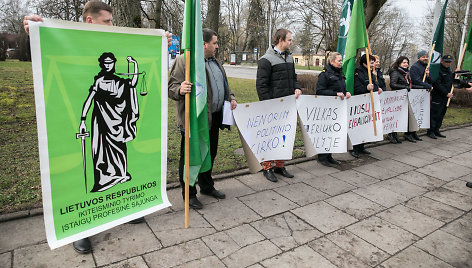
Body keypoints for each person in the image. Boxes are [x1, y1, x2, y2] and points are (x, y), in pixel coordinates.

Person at [23, 0, 173, 255]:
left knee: (121, 156)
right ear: (90, 21)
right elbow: (87, 98)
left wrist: (160, 42)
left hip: (117, 122)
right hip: (100, 123)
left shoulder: (116, 43)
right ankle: (80, 230)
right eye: (107, 22)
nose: (112, 26)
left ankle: (124, 209)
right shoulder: (69, 39)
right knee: (98, 159)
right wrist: (34, 29)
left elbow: (134, 79)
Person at [168, 28, 237, 209]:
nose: (217, 46)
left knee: (210, 153)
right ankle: (189, 194)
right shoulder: (184, 61)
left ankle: (206, 186)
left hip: (214, 118)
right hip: (195, 119)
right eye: (214, 42)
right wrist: (179, 90)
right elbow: (171, 87)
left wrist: (231, 97)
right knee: (190, 158)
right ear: (204, 44)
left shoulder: (215, 62)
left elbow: (223, 84)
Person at [79, 53, 139, 192]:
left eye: (110, 62)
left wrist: (135, 64)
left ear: (114, 63)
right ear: (101, 64)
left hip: (116, 123)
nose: (107, 65)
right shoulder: (99, 81)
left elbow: (133, 83)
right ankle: (105, 178)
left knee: (119, 147)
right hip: (102, 123)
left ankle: (120, 174)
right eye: (105, 63)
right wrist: (83, 119)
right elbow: (89, 100)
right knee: (101, 150)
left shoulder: (119, 81)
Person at [256, 28, 302, 182]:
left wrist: (297, 87)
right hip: (272, 107)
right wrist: (269, 105)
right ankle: (267, 167)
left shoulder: (289, 58)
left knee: (284, 137)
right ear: (280, 40)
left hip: (287, 107)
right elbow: (261, 86)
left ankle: (280, 166)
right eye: (289, 39)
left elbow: (294, 78)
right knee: (270, 138)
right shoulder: (266, 60)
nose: (291, 42)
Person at [315, 52, 350, 166]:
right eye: (339, 61)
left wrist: (346, 93)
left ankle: (329, 155)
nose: (341, 63)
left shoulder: (339, 73)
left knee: (332, 132)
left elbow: (341, 88)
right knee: (325, 133)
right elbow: (319, 91)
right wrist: (335, 94)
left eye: (341, 60)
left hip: (336, 109)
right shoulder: (324, 75)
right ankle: (322, 157)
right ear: (331, 61)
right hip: (326, 109)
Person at [350, 53, 382, 158]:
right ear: (364, 62)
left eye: (373, 62)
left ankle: (362, 146)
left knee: (366, 125)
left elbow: (375, 86)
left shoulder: (372, 74)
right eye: (371, 61)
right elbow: (356, 89)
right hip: (359, 104)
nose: (373, 63)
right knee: (358, 126)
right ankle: (354, 148)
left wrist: (376, 88)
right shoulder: (357, 73)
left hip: (369, 104)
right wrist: (366, 88)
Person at [428, 55, 455, 139]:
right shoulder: (438, 70)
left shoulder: (448, 71)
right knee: (435, 114)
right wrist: (446, 93)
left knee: (441, 114)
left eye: (449, 62)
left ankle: (437, 130)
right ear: (442, 61)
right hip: (438, 96)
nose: (448, 63)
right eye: (446, 61)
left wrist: (455, 74)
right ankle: (431, 131)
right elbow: (437, 84)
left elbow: (449, 81)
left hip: (445, 97)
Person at [408, 50, 432, 141]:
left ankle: (414, 132)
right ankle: (409, 133)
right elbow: (416, 80)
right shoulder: (415, 67)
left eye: (426, 57)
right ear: (419, 58)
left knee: (419, 114)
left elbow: (430, 80)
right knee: (413, 113)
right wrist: (428, 86)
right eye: (423, 57)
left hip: (423, 94)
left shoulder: (427, 67)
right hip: (416, 93)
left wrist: (428, 75)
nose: (425, 58)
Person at [388, 56, 412, 144]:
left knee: (398, 117)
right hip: (395, 98)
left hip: (402, 98)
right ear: (399, 63)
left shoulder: (405, 73)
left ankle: (395, 134)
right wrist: (404, 87)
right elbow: (393, 84)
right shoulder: (395, 72)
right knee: (394, 117)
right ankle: (391, 134)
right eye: (404, 63)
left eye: (407, 62)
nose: (406, 64)